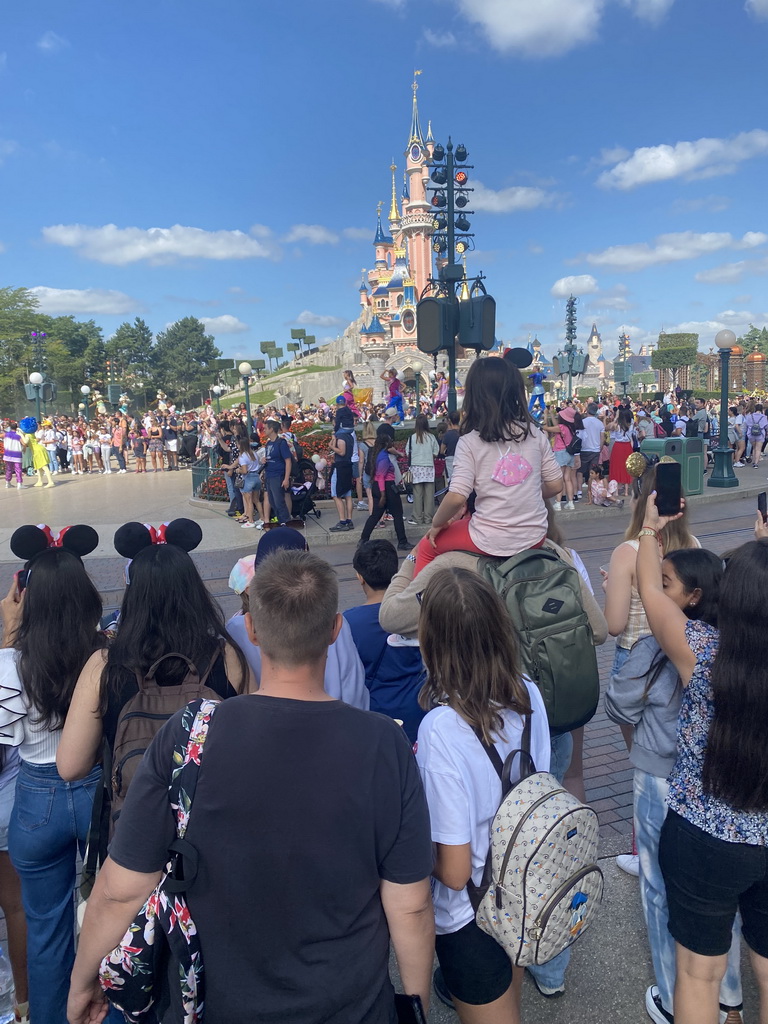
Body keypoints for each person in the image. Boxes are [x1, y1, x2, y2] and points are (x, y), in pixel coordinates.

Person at [67, 549, 434, 1024]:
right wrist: (416, 1003)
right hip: (350, 1005)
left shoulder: (189, 734)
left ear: (254, 632)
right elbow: (410, 903)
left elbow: (121, 889)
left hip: (215, 1005)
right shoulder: (384, 741)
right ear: (334, 630)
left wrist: (83, 979)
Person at [635, 500, 768, 1024]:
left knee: (698, 974)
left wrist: (650, 527)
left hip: (703, 837)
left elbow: (649, 590)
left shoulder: (703, 652)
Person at [606, 548, 745, 1024]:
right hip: (719, 792)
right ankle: (730, 999)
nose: (657, 593)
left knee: (660, 888)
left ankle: (671, 997)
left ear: (693, 596)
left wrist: (648, 528)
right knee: (719, 903)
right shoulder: (734, 646)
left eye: (667, 584)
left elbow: (619, 705)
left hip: (660, 781)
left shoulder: (666, 648)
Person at [415, 567, 551, 1024]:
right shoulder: (528, 693)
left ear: (431, 641)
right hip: (522, 896)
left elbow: (454, 872)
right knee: (509, 1002)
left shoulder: (441, 728)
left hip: (470, 916)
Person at [0, 531, 104, 1024]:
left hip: (35, 798)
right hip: (99, 791)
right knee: (114, 919)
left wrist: (7, 634)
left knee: (46, 929)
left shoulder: (11, 662)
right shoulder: (106, 649)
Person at [603, 459, 700, 876]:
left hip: (638, 665)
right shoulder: (694, 545)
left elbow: (614, 624)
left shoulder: (627, 553)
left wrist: (611, 588)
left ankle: (646, 851)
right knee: (678, 756)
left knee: (644, 763)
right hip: (680, 659)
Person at [413, 357, 562, 575]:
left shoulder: (470, 442)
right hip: (535, 535)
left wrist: (437, 522)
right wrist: (524, 493)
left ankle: (419, 603)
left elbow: (457, 496)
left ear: (474, 396)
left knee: (426, 547)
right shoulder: (534, 434)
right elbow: (556, 485)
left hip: (490, 539)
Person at [225, 529, 368, 709]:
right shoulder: (332, 622)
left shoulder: (234, 629)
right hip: (337, 725)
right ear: (335, 627)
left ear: (251, 627)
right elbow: (353, 689)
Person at [344, 541, 426, 742]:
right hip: (419, 707)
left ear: (360, 577)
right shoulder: (416, 613)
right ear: (395, 572)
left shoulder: (349, 622)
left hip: (375, 712)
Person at [359, 425, 412, 551]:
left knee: (375, 515)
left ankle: (364, 539)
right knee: (398, 514)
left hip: (377, 486)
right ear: (386, 443)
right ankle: (402, 541)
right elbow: (381, 476)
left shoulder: (376, 454)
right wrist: (383, 495)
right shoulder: (383, 457)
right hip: (386, 487)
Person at [544, 406, 583, 510]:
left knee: (560, 479)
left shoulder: (561, 427)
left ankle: (558, 502)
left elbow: (546, 428)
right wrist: (551, 414)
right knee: (568, 479)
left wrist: (545, 415)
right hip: (570, 454)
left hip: (560, 453)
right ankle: (570, 503)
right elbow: (557, 425)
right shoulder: (571, 427)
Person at [406, 415, 439, 527]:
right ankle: (428, 518)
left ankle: (417, 517)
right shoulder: (431, 437)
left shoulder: (412, 438)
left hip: (416, 468)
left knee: (417, 494)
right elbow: (436, 452)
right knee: (429, 494)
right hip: (429, 467)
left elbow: (407, 452)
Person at [330, 404, 355, 533]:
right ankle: (349, 520)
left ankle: (342, 521)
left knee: (336, 495)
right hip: (348, 466)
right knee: (348, 495)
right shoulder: (350, 435)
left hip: (340, 466)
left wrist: (332, 446)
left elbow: (341, 451)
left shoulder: (341, 436)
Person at [263, 418, 292, 525]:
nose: (264, 430)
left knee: (279, 501)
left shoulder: (281, 443)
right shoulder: (268, 443)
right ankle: (280, 521)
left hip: (278, 474)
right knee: (272, 501)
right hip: (269, 474)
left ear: (271, 429)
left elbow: (288, 461)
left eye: (266, 428)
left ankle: (285, 521)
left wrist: (286, 478)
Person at [235, 433, 264, 529]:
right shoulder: (254, 454)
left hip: (248, 478)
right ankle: (262, 518)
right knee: (257, 500)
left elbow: (244, 470)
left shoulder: (243, 457)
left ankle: (250, 520)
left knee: (249, 501)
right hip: (256, 477)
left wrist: (238, 470)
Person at [608, 408, 637, 497]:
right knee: (626, 467)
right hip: (627, 446)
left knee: (616, 467)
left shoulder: (617, 426)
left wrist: (616, 417)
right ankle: (626, 491)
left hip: (618, 446)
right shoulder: (631, 425)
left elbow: (608, 427)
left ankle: (616, 491)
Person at [18, 417, 53, 487]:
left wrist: (20, 434)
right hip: (38, 449)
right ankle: (40, 481)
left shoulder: (28, 435)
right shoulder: (31, 434)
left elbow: (25, 442)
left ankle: (50, 481)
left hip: (37, 450)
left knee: (43, 466)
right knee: (39, 467)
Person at [579, 403, 604, 497]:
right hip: (595, 450)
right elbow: (602, 438)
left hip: (584, 449)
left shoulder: (583, 422)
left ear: (587, 410)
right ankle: (591, 491)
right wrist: (600, 448)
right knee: (592, 471)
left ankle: (579, 491)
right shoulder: (600, 423)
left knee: (580, 471)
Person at [744, 403, 767, 470]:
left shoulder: (750, 416)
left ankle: (753, 460)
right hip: (760, 434)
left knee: (754, 448)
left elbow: (747, 424)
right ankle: (756, 463)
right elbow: (766, 426)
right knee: (758, 449)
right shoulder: (763, 417)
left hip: (751, 434)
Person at [439, 410, 460, 480]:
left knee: (452, 480)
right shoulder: (463, 432)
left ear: (449, 420)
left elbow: (442, 450)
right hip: (463, 458)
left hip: (451, 459)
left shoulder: (448, 434)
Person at [3, 421, 23, 490]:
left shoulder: (6, 434)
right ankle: (19, 484)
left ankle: (7, 483)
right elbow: (24, 443)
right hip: (17, 454)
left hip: (8, 454)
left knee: (9, 469)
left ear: (10, 427)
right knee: (18, 469)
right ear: (16, 428)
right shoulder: (18, 436)